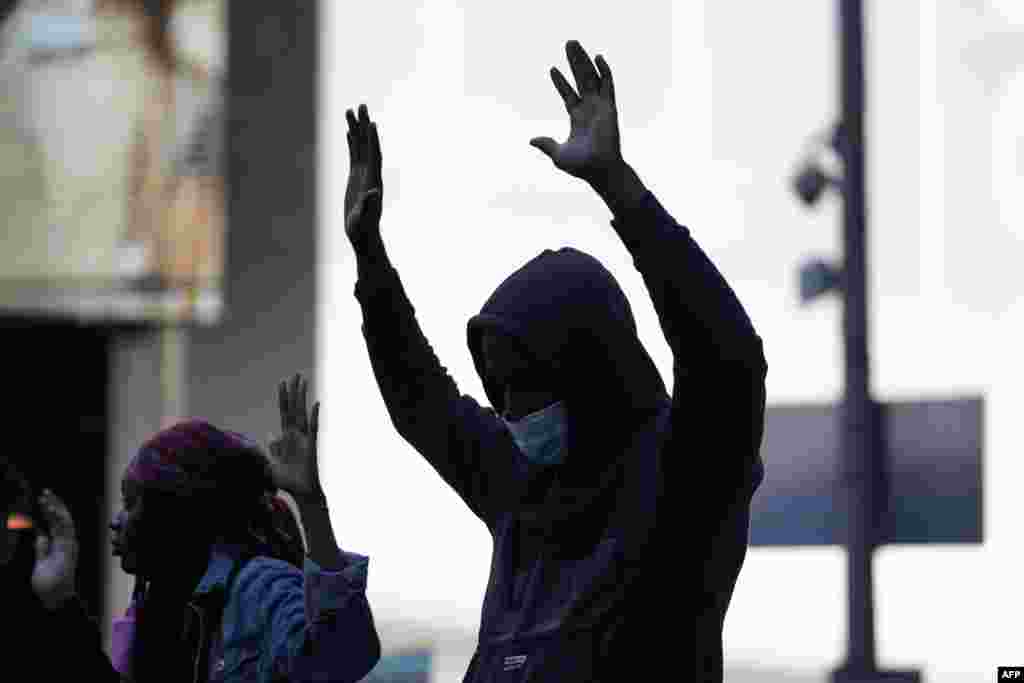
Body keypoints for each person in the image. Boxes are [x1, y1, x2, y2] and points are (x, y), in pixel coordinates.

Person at [342, 40, 767, 682]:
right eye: (500, 391)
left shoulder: (683, 478)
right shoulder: (520, 486)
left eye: (529, 387)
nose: (512, 413)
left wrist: (620, 189)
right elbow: (422, 403)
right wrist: (370, 259)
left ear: (590, 369)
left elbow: (726, 358)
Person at [22, 375, 381, 683]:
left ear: (175, 512)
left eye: (133, 503)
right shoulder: (155, 607)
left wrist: (311, 506)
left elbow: (341, 659)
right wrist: (61, 602)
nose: (118, 520)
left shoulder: (257, 586)